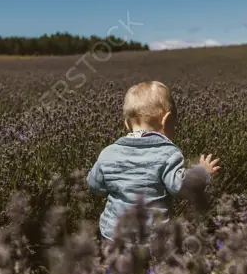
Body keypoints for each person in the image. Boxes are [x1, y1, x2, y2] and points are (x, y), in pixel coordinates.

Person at [87, 81, 220, 243]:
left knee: (118, 267)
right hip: (153, 238)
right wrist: (202, 173)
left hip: (114, 235)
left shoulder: (108, 153)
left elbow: (95, 186)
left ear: (126, 124)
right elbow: (179, 187)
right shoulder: (168, 154)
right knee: (153, 267)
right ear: (167, 120)